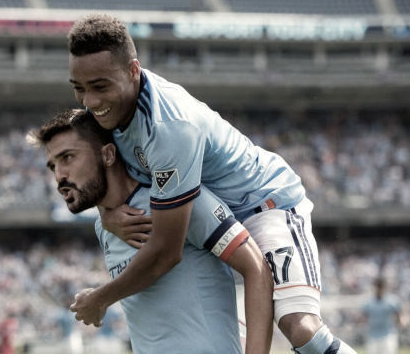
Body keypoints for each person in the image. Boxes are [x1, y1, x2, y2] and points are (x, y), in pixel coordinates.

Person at [66, 13, 357, 354]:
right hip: (211, 223)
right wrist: (105, 212)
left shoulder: (169, 127)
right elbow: (100, 169)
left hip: (263, 206)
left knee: (299, 328)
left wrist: (101, 299)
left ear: (133, 70)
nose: (90, 102)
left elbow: (165, 251)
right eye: (79, 89)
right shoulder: (107, 112)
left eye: (100, 86)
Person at [27, 109, 273, 353]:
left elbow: (256, 267)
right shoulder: (104, 227)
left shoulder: (177, 202)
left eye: (67, 158)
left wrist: (100, 298)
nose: (59, 176)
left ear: (108, 155)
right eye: (52, 166)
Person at [362, 278, 403, 354]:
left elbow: (398, 315)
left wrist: (400, 323)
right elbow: (364, 317)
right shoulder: (369, 303)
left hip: (388, 334)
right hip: (373, 335)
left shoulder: (391, 301)